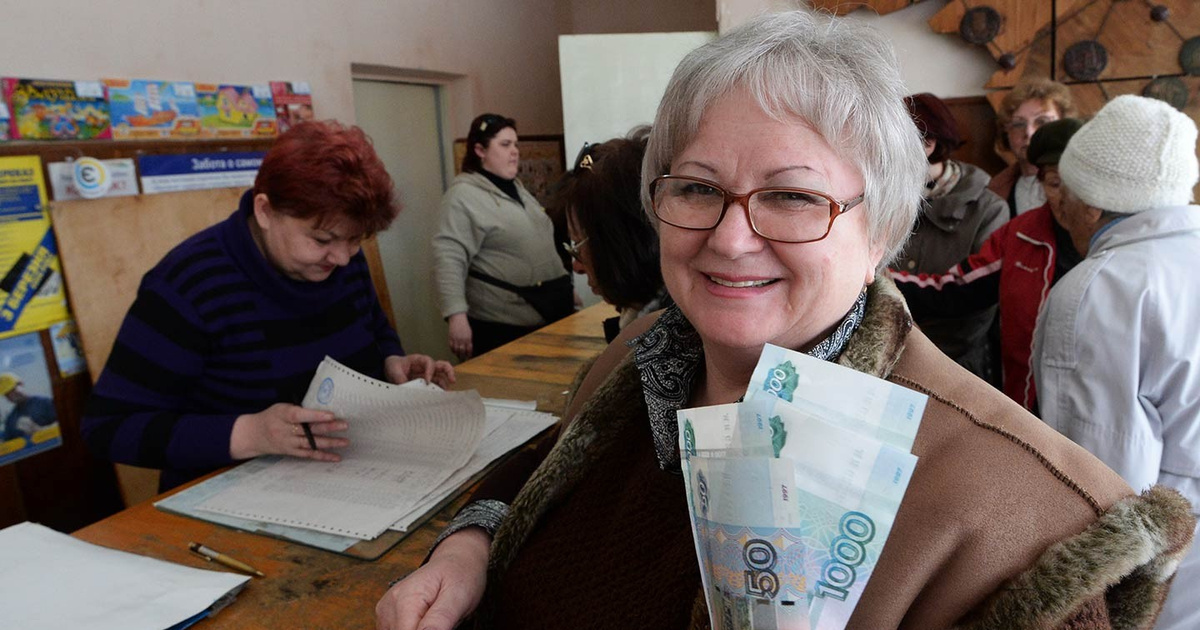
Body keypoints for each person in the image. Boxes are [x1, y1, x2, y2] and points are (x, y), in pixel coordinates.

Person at [378, 12, 1193, 630]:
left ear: (880, 233)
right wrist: (469, 546)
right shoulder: (640, 357)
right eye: (697, 187)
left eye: (793, 196)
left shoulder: (1018, 530)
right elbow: (542, 468)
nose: (731, 238)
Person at [82, 121, 454, 492]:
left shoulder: (341, 261)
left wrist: (390, 362)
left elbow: (373, 327)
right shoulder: (187, 284)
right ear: (264, 211)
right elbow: (108, 427)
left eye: (356, 240)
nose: (343, 258)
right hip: (233, 494)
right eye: (322, 239)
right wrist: (250, 433)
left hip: (349, 478)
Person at [1032, 94, 1200, 630]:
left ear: (1093, 204)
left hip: (1170, 584)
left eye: (1066, 188)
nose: (1058, 203)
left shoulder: (1102, 289)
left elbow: (1103, 486)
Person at [891, 118, 1085, 412]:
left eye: (1077, 184)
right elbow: (956, 290)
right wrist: (880, 279)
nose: (1066, 199)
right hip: (1027, 401)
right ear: (1041, 183)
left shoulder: (1119, 243)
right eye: (1055, 183)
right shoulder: (1022, 234)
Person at [433, 113, 572, 360]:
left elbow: (539, 239)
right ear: (480, 150)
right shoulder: (462, 196)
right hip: (501, 324)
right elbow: (448, 258)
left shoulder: (516, 187)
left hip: (548, 310)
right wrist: (456, 316)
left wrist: (561, 282)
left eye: (515, 144)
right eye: (505, 144)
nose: (515, 151)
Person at [893, 93, 1006, 382]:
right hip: (887, 352)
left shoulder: (988, 209)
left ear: (928, 144)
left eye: (891, 138)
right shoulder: (881, 197)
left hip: (956, 366)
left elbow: (973, 301)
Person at [555, 128, 671, 342]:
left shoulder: (664, 343)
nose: (577, 266)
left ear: (623, 244)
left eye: (578, 246)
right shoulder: (645, 319)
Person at [987, 78, 1078, 218]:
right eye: (1019, 124)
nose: (1029, 133)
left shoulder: (1081, 184)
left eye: (1042, 122)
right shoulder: (995, 190)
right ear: (1007, 132)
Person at [0, 372, 57, 441]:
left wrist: (39, 430)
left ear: (21, 384)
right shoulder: (10, 419)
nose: (11, 395)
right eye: (7, 394)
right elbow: (7, 442)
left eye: (12, 389)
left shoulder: (45, 403)